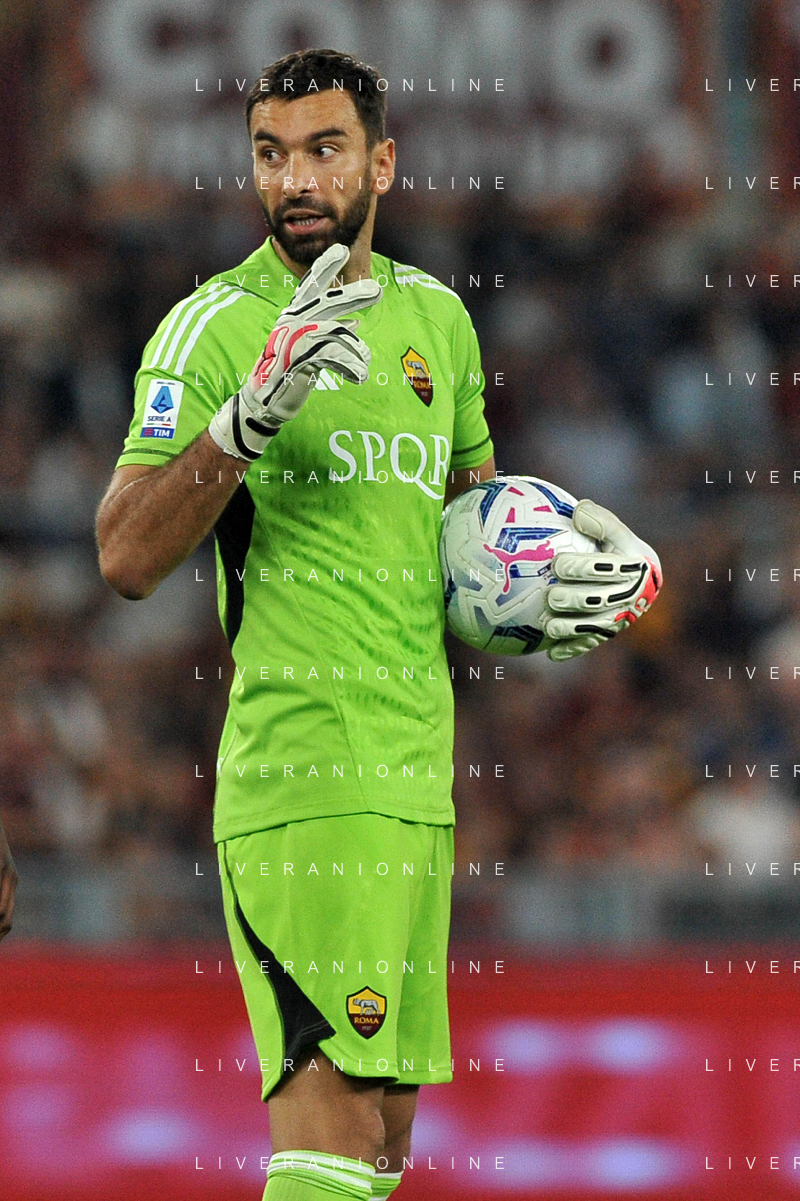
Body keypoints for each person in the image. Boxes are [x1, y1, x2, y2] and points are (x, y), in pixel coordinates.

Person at [95, 49, 661, 1201]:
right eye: (270, 154)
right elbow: (124, 556)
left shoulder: (436, 322)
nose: (295, 179)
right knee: (329, 1135)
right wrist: (247, 420)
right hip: (305, 773)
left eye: (323, 149)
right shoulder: (212, 329)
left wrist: (552, 586)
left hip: (416, 781)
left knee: (380, 1150)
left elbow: (465, 535)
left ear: (381, 162)